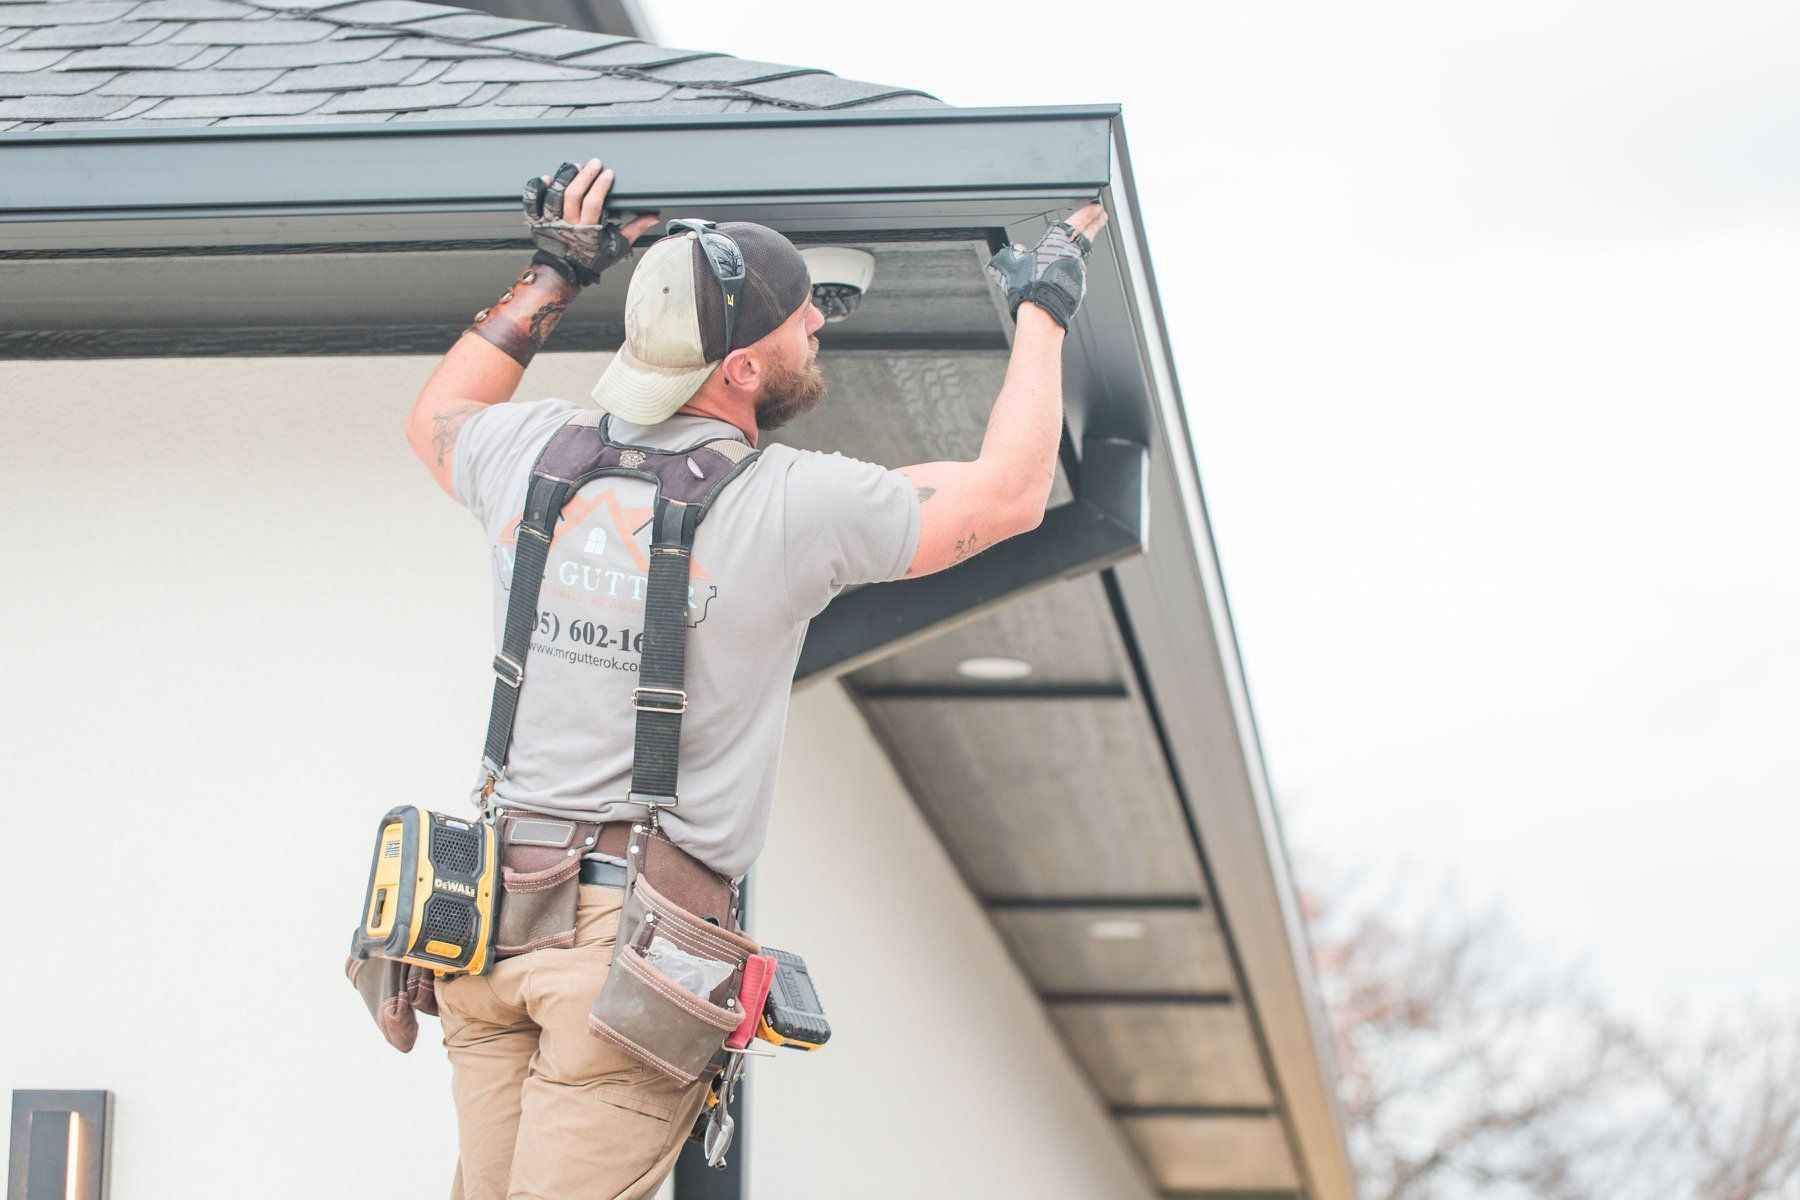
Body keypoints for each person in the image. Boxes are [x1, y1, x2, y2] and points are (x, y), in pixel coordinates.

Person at [399, 156, 1106, 1200]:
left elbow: (436, 416)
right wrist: (1043, 304)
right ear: (737, 370)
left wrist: (555, 269)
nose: (817, 323)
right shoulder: (790, 506)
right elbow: (1008, 497)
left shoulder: (527, 450)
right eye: (798, 315)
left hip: (489, 932)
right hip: (624, 953)